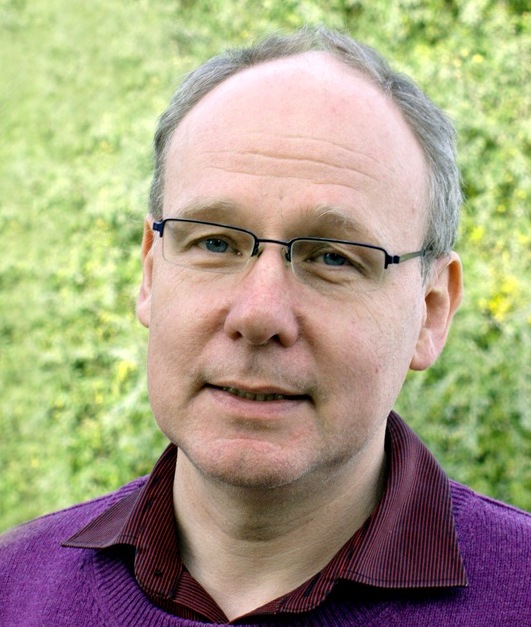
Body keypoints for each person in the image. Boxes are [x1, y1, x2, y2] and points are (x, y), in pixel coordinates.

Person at [1, 26, 529, 626]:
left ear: (431, 311)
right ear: (149, 272)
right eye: (215, 243)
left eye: (332, 257)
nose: (258, 315)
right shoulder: (14, 589)